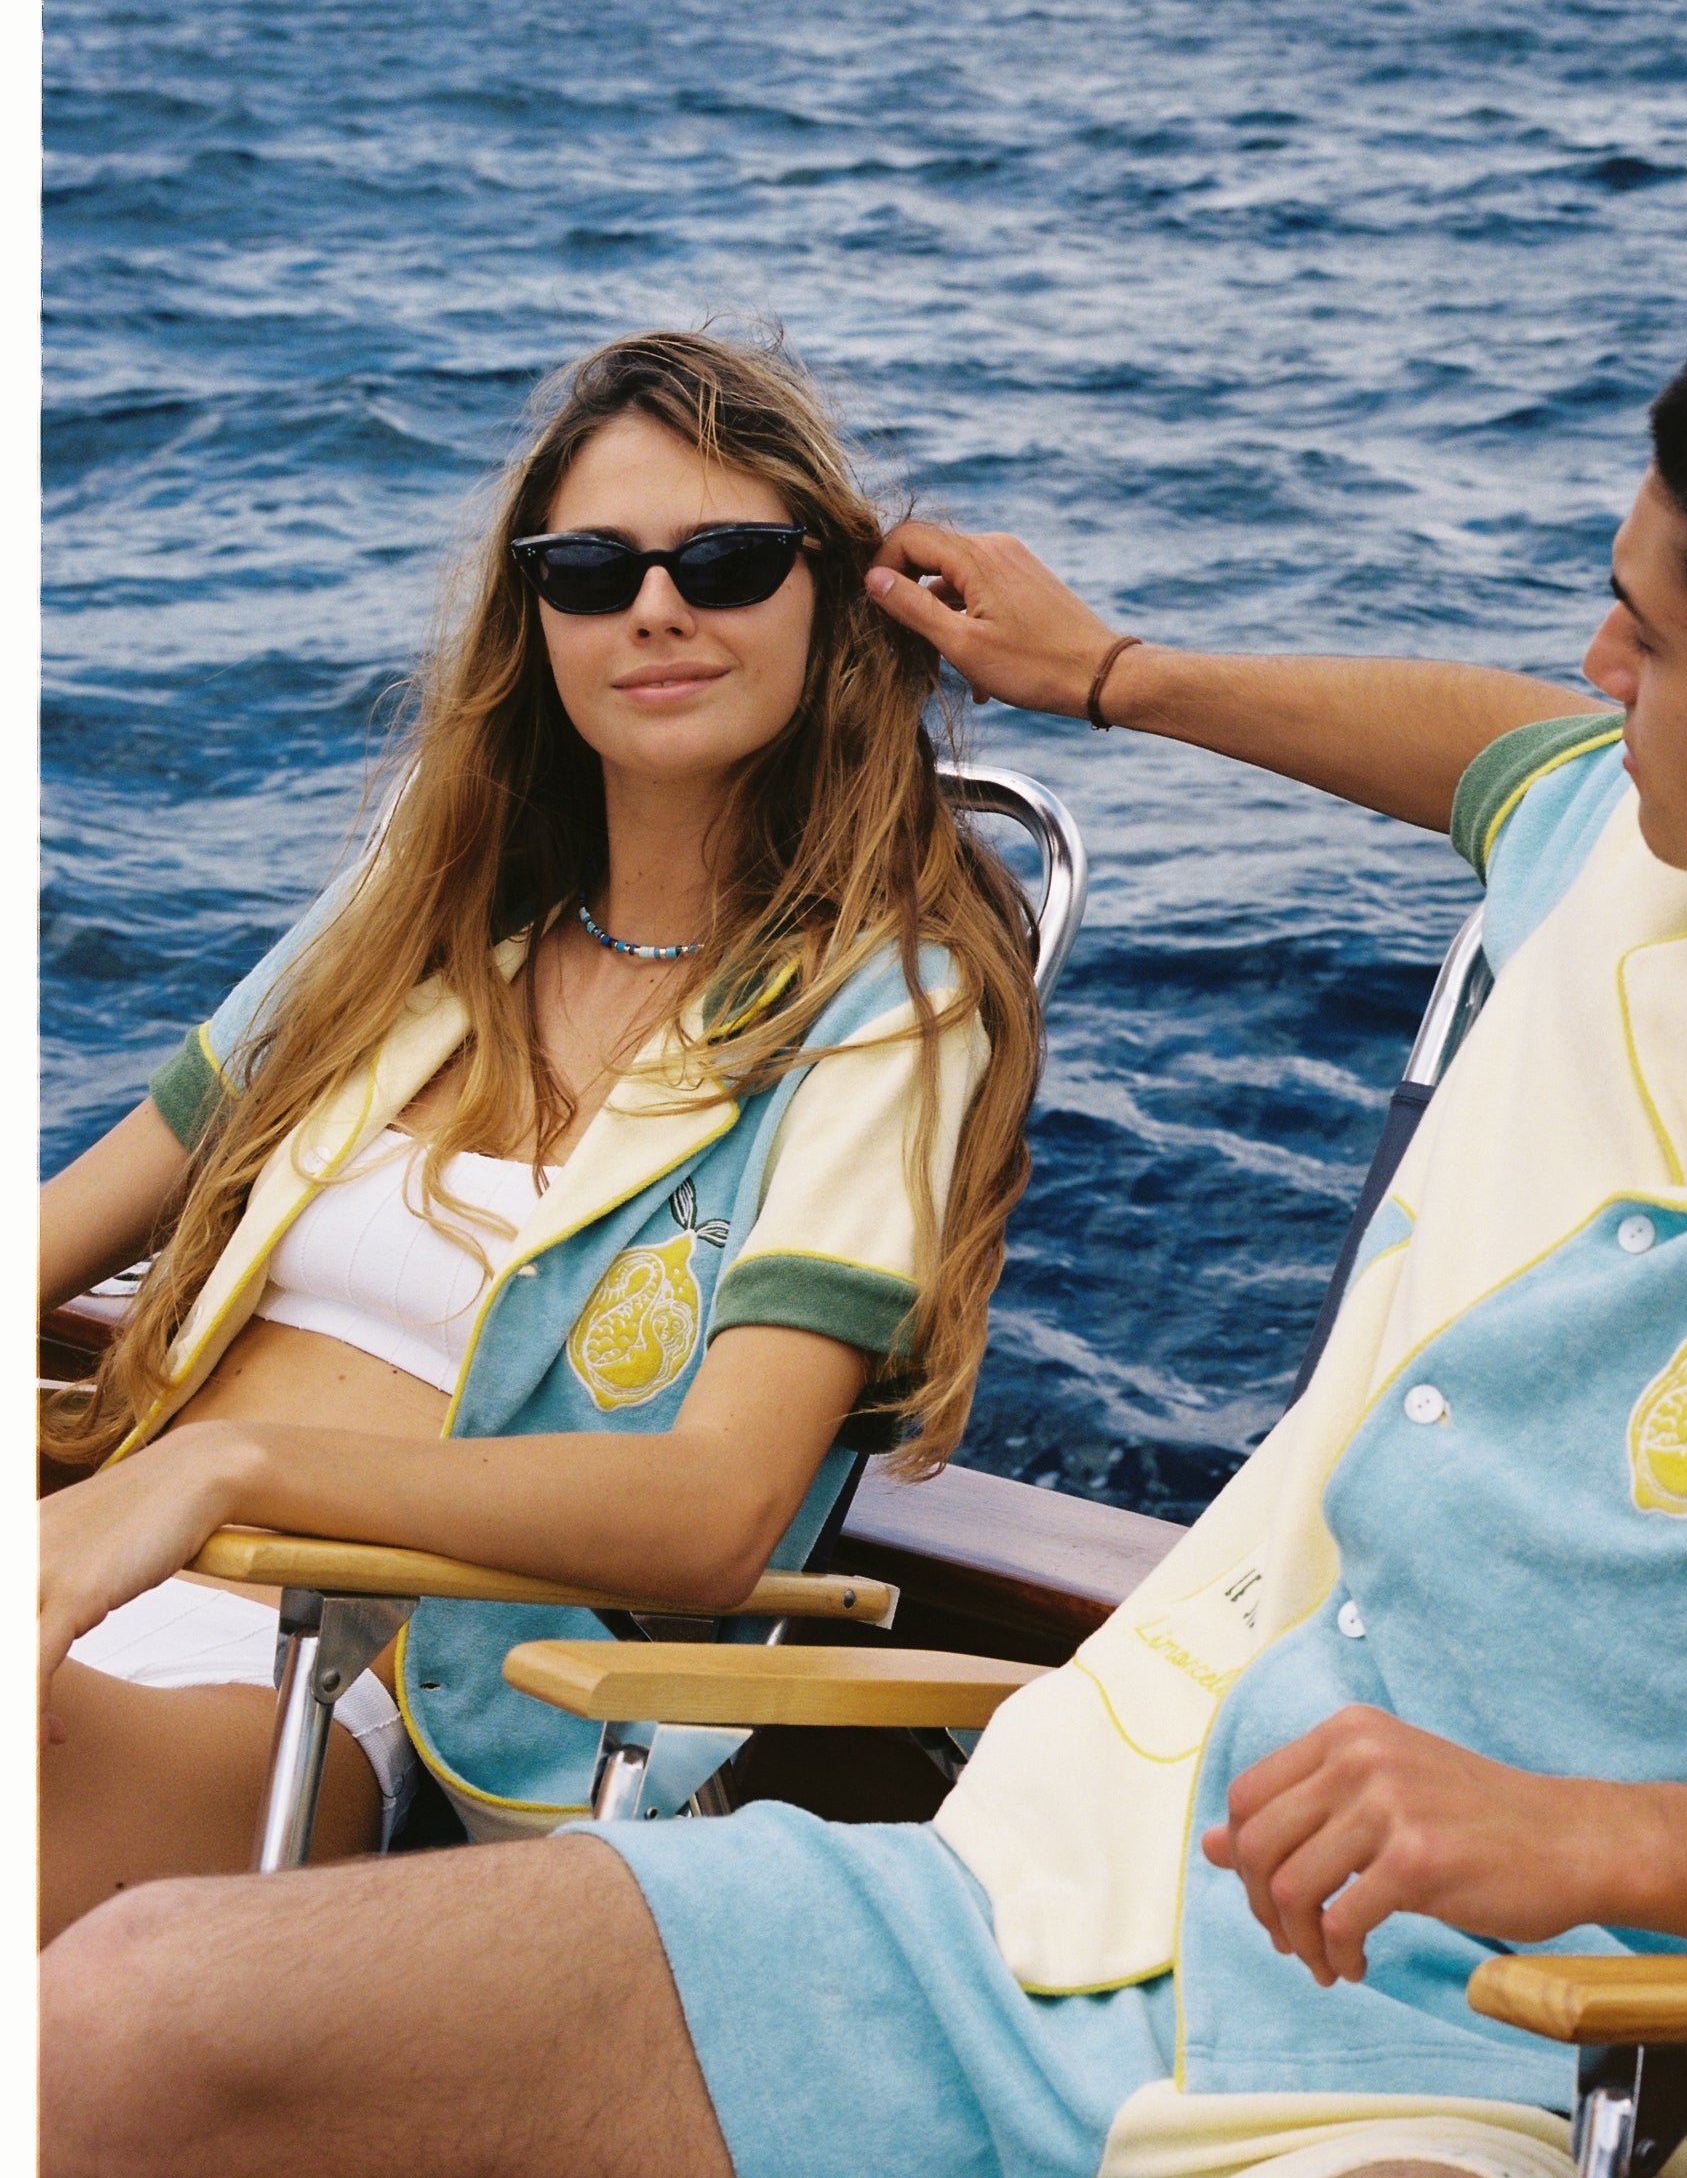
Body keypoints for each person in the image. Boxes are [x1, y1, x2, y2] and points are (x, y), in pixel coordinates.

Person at [42, 302, 1687, 2178]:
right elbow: (1488, 753)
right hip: (1027, 1903)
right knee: (129, 2034)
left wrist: (1600, 1837)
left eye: (1638, 635)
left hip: (1499, 2071)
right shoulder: (1650, 866)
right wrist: (1109, 677)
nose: (1587, 673)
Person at [36, 328, 1041, 1941]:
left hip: (306, 1676)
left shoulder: (882, 1014)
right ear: (537, 615)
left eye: (726, 560)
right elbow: (58, 1238)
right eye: (592, 569)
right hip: (75, 1563)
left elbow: (714, 1513)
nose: (658, 606)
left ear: (826, 602)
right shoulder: (403, 925)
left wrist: (230, 1466)